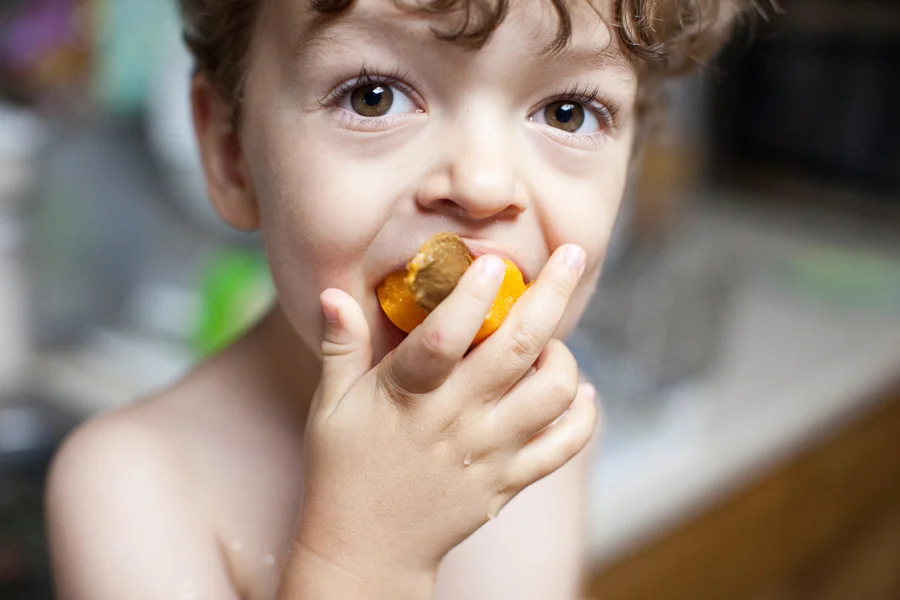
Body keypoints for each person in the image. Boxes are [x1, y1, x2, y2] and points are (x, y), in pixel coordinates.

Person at [46, 0, 754, 598]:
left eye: (569, 112)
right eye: (372, 95)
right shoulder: (132, 490)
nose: (481, 182)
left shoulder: (552, 432)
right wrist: (365, 557)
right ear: (232, 151)